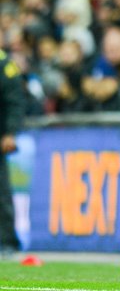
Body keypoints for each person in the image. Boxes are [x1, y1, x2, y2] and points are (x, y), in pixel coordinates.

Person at [0, 49, 25, 258]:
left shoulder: (5, 65)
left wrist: (10, 131)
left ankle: (8, 241)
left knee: (1, 193)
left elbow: (14, 100)